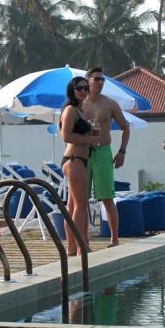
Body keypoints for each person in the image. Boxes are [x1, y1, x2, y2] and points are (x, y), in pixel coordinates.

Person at [83, 67, 130, 248]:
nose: (100, 82)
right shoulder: (78, 104)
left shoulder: (109, 104)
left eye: (102, 79)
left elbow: (125, 127)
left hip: (102, 151)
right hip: (82, 152)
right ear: (87, 81)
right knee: (81, 199)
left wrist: (122, 151)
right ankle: (83, 241)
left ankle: (114, 239)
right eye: (97, 79)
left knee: (107, 197)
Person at [59, 76, 104, 256]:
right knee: (81, 206)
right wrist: (90, 139)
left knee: (73, 207)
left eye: (86, 88)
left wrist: (91, 136)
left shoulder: (80, 110)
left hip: (80, 159)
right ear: (72, 90)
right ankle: (81, 247)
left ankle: (72, 248)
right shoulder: (70, 110)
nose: (83, 91)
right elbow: (66, 136)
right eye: (79, 88)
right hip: (74, 159)